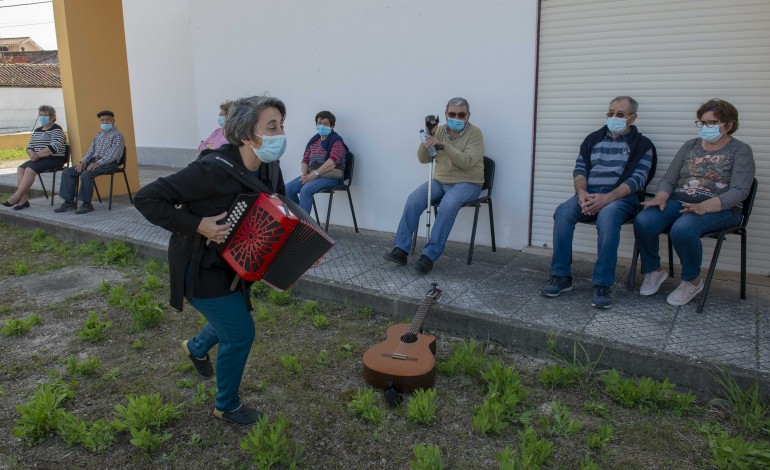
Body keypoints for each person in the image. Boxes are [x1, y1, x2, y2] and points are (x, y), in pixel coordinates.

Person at [134, 95, 287, 426]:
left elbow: (281, 209)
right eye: (271, 126)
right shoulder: (209, 170)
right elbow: (146, 198)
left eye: (281, 125)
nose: (280, 133)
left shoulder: (269, 166)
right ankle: (226, 406)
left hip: (238, 264)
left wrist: (303, 249)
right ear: (246, 135)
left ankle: (196, 346)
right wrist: (197, 224)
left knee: (233, 316)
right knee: (240, 332)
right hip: (201, 267)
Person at [633, 98, 755, 307]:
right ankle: (654, 270)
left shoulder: (740, 150)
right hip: (679, 200)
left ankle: (692, 281)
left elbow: (740, 191)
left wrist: (704, 206)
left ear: (729, 125)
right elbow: (669, 179)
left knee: (682, 229)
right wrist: (661, 196)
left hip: (721, 208)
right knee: (644, 220)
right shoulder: (690, 145)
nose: (706, 127)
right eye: (702, 122)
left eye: (711, 122)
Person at [541, 96, 656, 309]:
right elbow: (580, 169)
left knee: (608, 215)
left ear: (632, 117)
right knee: (563, 212)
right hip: (590, 194)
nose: (613, 117)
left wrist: (607, 198)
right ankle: (561, 275)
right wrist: (582, 193)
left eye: (620, 114)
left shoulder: (643, 145)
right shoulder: (592, 139)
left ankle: (602, 284)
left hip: (622, 199)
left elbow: (638, 179)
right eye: (610, 113)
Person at [384, 97, 484, 274]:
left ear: (468, 116)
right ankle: (401, 249)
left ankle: (429, 256)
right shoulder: (439, 131)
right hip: (440, 181)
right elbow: (423, 158)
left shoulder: (475, 133)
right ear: (445, 114)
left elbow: (468, 162)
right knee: (414, 199)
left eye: (461, 115)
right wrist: (429, 136)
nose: (457, 118)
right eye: (452, 114)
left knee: (448, 204)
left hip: (468, 183)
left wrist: (443, 146)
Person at [53, 110, 126, 214]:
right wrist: (82, 162)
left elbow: (112, 155)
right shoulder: (98, 135)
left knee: (86, 174)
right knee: (68, 172)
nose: (104, 123)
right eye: (102, 121)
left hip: (110, 163)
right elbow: (91, 151)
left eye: (107, 120)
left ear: (113, 120)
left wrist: (97, 163)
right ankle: (69, 202)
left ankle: (87, 204)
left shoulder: (118, 135)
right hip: (94, 161)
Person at [3, 105, 67, 210]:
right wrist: (31, 154)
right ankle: (23, 201)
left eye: (45, 115)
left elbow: (53, 147)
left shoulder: (57, 129)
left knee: (29, 169)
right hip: (38, 159)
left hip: (53, 159)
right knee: (21, 169)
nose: (42, 117)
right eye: (41, 115)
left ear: (52, 117)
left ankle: (16, 196)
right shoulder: (38, 130)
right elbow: (29, 146)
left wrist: (37, 155)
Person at [284, 111, 347, 214]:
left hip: (331, 177)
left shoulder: (337, 141)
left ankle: (304, 225)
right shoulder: (314, 141)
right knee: (287, 189)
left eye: (325, 124)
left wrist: (314, 174)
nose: (321, 126)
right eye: (319, 123)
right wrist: (305, 174)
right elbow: (305, 160)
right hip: (313, 175)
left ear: (332, 126)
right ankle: (298, 219)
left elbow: (333, 161)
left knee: (306, 189)